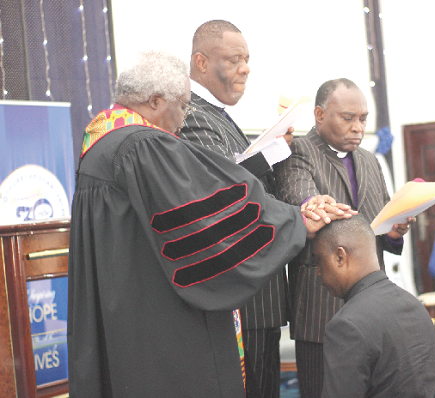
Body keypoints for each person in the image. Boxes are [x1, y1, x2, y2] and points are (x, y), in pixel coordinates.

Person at [67, 50, 353, 398]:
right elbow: (206, 215)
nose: (183, 118)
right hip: (160, 324)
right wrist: (294, 221)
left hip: (123, 310)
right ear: (155, 101)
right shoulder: (144, 146)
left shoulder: (101, 139)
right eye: (182, 106)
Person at [274, 78, 411, 398]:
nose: (358, 127)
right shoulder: (298, 152)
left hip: (373, 306)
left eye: (363, 119)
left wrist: (394, 230)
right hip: (322, 308)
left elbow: (382, 221)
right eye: (347, 118)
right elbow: (309, 205)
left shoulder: (370, 160)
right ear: (320, 114)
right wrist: (316, 207)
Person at [179, 20, 293, 398]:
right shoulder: (191, 115)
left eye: (248, 59)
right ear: (201, 62)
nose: (246, 68)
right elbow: (222, 187)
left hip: (258, 292)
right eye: (235, 59)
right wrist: (275, 147)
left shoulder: (217, 114)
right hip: (244, 296)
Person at [312, 216, 435, 398]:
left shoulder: (346, 326)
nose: (318, 271)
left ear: (340, 256)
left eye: (319, 261)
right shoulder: (414, 305)